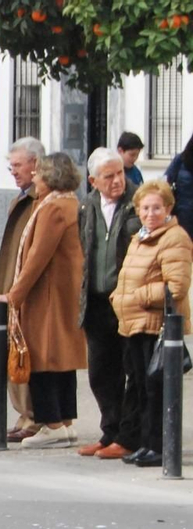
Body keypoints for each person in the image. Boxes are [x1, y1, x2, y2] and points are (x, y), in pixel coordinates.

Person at [0, 152, 86, 450]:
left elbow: (36, 258)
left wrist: (13, 295)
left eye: (39, 174)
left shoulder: (53, 208)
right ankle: (65, 423)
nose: (35, 178)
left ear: (51, 177)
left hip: (47, 297)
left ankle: (52, 424)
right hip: (60, 294)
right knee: (60, 360)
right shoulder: (68, 202)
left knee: (41, 359)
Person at [109, 179, 191, 468]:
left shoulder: (174, 237)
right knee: (141, 387)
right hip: (133, 323)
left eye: (157, 207)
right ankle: (146, 443)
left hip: (155, 325)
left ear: (168, 208)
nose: (151, 213)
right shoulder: (140, 236)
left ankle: (158, 446)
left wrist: (135, 298)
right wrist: (118, 298)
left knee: (156, 389)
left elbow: (176, 287)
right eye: (145, 207)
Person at [77, 148, 139, 459]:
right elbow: (83, 247)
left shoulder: (138, 203)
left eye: (120, 173)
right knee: (101, 373)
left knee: (132, 370)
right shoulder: (87, 206)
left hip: (128, 302)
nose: (117, 180)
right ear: (93, 180)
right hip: (97, 302)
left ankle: (128, 436)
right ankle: (109, 432)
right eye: (109, 176)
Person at [0, 137, 46, 442]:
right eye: (10, 166)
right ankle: (24, 413)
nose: (13, 171)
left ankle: (32, 416)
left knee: (26, 354)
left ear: (35, 164)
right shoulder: (20, 199)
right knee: (13, 353)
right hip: (10, 289)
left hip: (24, 292)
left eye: (17, 165)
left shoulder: (41, 201)